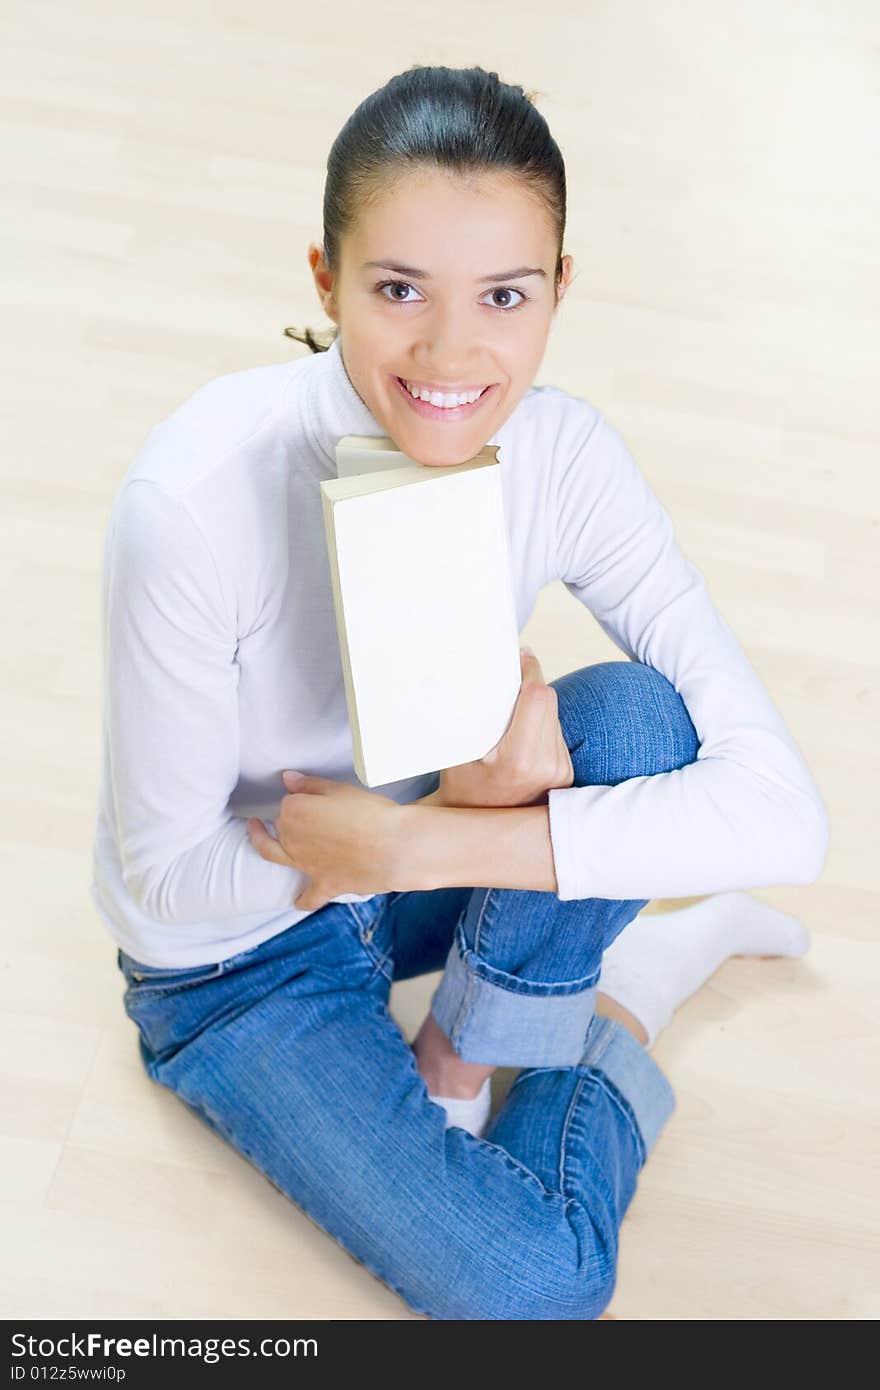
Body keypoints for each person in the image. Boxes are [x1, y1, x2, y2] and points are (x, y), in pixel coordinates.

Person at [93, 65, 829, 1319]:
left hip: (390, 854)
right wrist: (424, 846)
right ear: (323, 280)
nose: (450, 351)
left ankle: (466, 1048)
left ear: (558, 287)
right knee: (536, 1284)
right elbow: (163, 881)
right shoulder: (194, 502)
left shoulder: (566, 457)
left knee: (641, 723)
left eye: (503, 294)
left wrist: (427, 835)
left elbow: (786, 821)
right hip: (236, 958)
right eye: (395, 291)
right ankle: (620, 992)